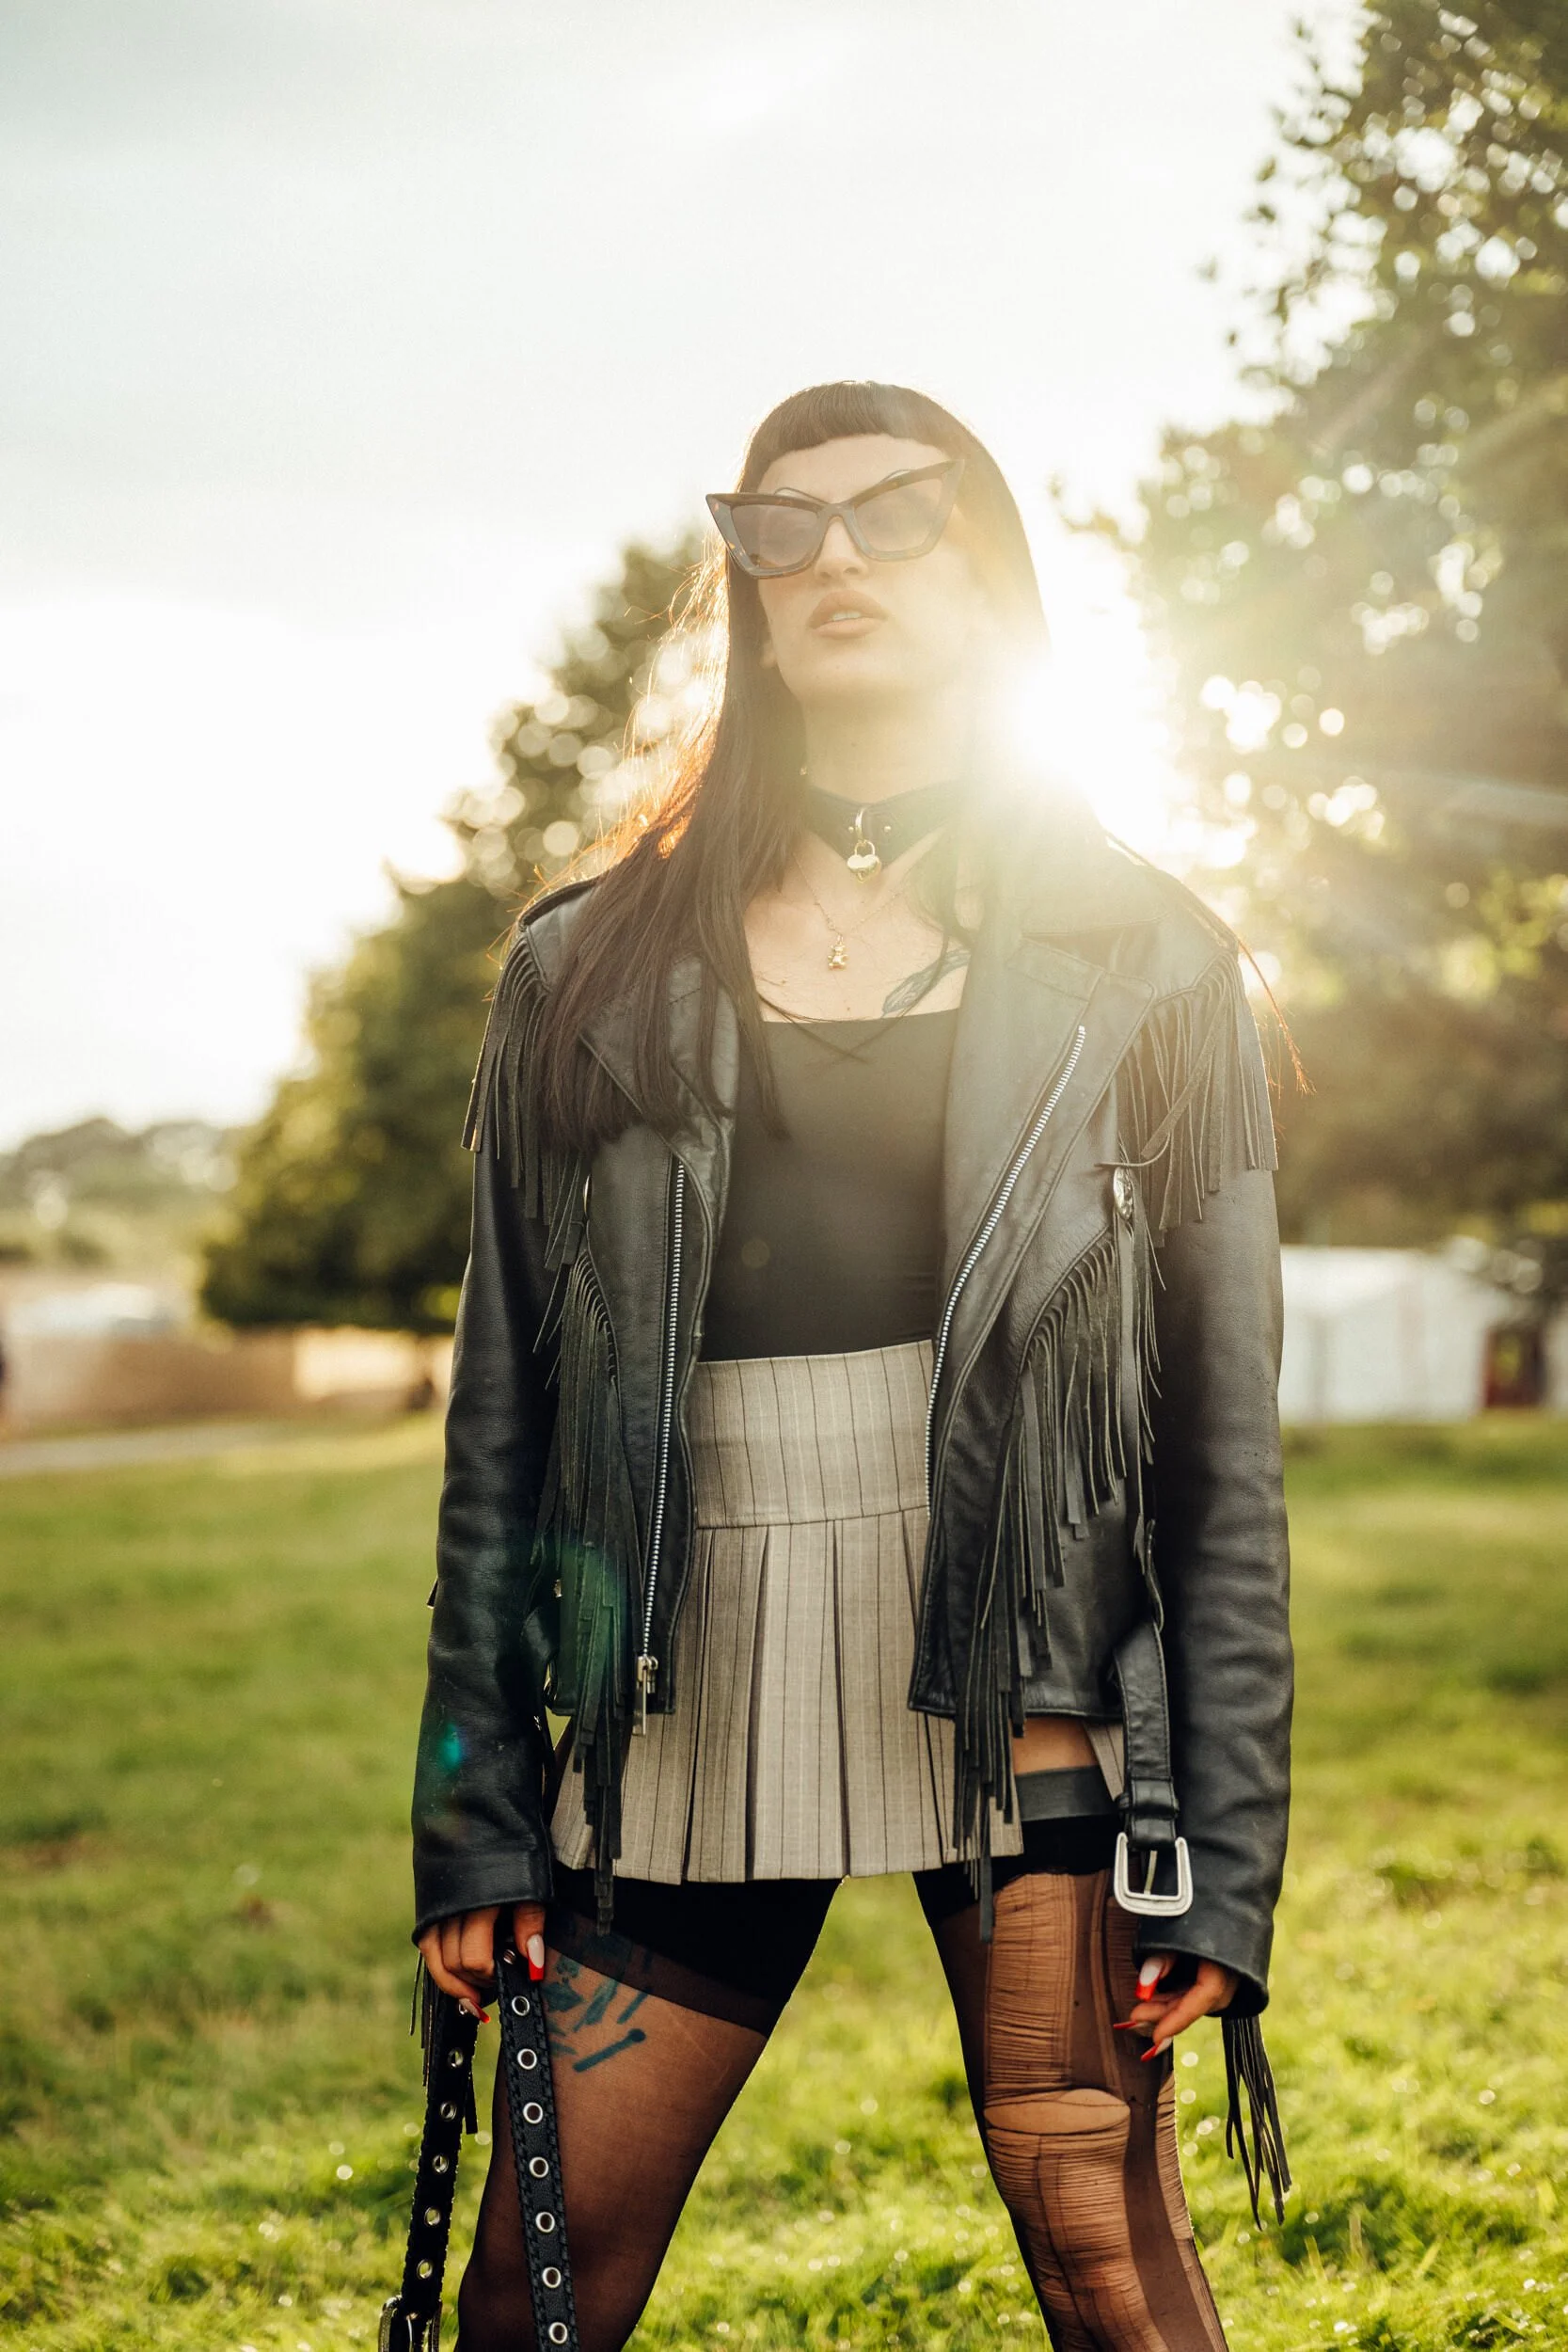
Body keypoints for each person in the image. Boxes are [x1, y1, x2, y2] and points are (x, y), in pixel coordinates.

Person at [412, 380, 1292, 2352]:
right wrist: (471, 1807)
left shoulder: (1149, 958)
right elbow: (505, 1421)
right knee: (534, 2287)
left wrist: (1215, 1859)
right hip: (682, 1675)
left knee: (1097, 2234)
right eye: (779, 527)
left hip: (1027, 1664)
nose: (831, 563)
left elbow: (1218, 1462)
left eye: (896, 520)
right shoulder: (585, 963)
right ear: (742, 580)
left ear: (988, 574)